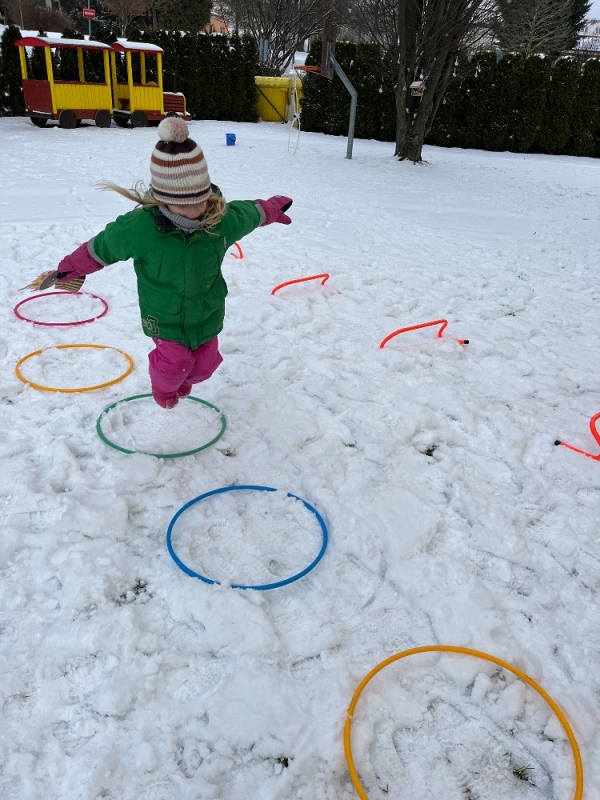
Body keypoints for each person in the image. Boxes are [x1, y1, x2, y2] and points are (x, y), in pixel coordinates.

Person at [42, 116, 292, 408]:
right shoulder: (140, 228)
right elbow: (103, 246)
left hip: (207, 314)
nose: (196, 210)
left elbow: (250, 213)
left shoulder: (219, 220)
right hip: (165, 318)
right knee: (174, 364)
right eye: (184, 203)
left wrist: (274, 208)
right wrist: (70, 268)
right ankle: (163, 389)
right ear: (163, 198)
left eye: (201, 200)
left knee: (205, 366)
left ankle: (181, 381)